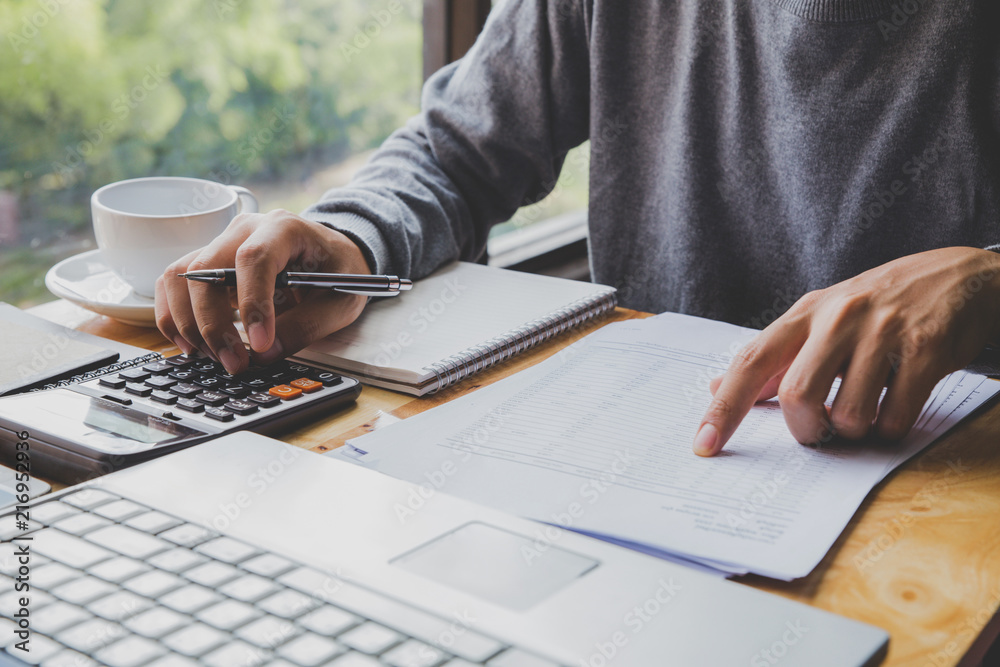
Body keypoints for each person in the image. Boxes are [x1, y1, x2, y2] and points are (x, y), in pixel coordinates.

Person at [155, 0, 1000, 458]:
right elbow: (457, 152)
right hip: (653, 464)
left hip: (954, 491)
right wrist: (350, 239)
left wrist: (988, 282)